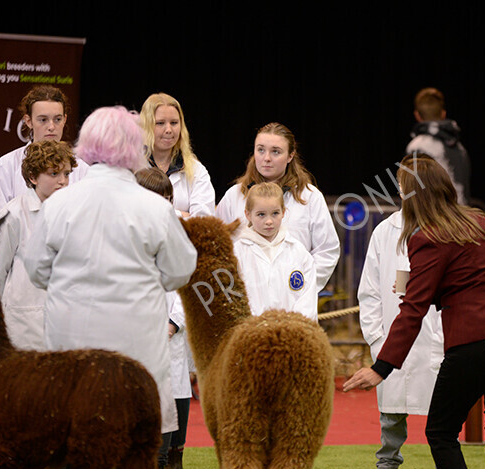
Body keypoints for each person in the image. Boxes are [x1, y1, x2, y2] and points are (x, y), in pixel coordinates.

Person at [22, 106, 198, 469]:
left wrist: (72, 290)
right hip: (136, 351)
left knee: (84, 453)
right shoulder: (154, 207)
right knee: (136, 457)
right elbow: (181, 270)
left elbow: (36, 271)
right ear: (135, 146)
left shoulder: (59, 204)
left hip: (74, 349)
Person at [344, 153, 485, 469]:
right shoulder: (481, 223)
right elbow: (478, 282)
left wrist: (381, 368)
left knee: (440, 431)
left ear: (409, 195)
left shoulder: (427, 237)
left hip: (475, 343)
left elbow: (412, 310)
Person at [357, 205, 445, 469]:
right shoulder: (385, 232)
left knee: (445, 416)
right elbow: (369, 291)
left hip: (436, 338)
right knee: (390, 418)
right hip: (392, 337)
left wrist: (448, 337)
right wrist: (376, 337)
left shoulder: (447, 228)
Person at [215, 122, 340, 292]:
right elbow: (218, 245)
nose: (266, 158)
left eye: (275, 151)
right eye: (260, 150)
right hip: (244, 299)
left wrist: (301, 287)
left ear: (290, 156)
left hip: (294, 298)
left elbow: (327, 250)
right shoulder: (234, 196)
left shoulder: (309, 197)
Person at [135, 166, 195, 469]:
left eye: (166, 198)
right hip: (135, 332)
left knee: (169, 403)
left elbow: (192, 284)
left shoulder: (184, 230)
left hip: (170, 333)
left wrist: (173, 324)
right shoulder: (125, 232)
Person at [0, 140, 77, 351]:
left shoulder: (74, 212)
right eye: (53, 174)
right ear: (33, 177)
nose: (62, 181)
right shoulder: (12, 215)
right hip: (24, 324)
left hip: (66, 322)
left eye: (66, 174)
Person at [0, 85, 88, 227]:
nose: (51, 126)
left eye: (57, 119)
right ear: (28, 121)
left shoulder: (82, 169)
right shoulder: (7, 165)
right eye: (43, 120)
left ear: (65, 120)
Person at [233, 182, 318, 321]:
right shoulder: (237, 253)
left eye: (275, 213)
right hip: (251, 335)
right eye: (261, 214)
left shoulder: (299, 252)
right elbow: (233, 300)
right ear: (248, 214)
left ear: (284, 212)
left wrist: (291, 327)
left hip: (291, 335)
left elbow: (307, 301)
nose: (269, 221)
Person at [139, 92, 216, 217]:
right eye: (160, 123)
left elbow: (202, 222)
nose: (169, 130)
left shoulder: (197, 171)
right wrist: (182, 215)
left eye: (174, 123)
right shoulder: (131, 167)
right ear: (146, 125)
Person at [406, 87, 471, 205]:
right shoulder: (460, 148)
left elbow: (411, 193)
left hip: (432, 219)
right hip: (461, 218)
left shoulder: (416, 148)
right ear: (443, 113)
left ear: (417, 115)